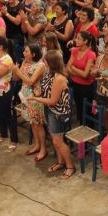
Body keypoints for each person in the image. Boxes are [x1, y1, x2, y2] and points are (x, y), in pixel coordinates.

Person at [28, 49, 77, 179]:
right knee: (55, 140)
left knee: (58, 141)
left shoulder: (60, 78)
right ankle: (60, 162)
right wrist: (39, 92)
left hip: (58, 113)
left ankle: (70, 166)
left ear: (51, 63)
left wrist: (35, 98)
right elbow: (45, 90)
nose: (43, 62)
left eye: (45, 60)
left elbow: (53, 101)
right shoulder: (49, 74)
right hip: (50, 110)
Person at [12, 44, 47, 161]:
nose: (23, 53)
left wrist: (18, 71)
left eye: (26, 52)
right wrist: (15, 70)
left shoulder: (40, 65)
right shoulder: (25, 62)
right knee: (32, 122)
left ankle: (43, 149)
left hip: (35, 97)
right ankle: (37, 144)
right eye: (24, 51)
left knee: (38, 123)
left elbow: (31, 81)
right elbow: (16, 79)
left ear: (33, 54)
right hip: (25, 96)